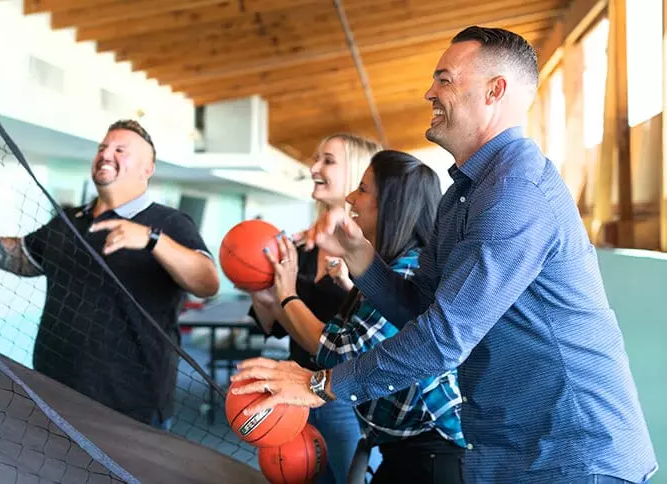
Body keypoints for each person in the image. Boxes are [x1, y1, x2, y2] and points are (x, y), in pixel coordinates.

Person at [230, 26, 658, 483]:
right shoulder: (463, 194)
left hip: (572, 453)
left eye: (445, 79)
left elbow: (443, 337)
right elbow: (422, 306)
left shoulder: (516, 191)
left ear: (495, 91)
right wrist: (362, 259)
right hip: (508, 448)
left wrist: (321, 384)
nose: (428, 92)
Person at [0, 119, 219, 430]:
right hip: (55, 390)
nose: (106, 154)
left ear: (148, 169)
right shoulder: (69, 220)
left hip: (132, 404)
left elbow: (207, 282)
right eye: (103, 148)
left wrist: (151, 239)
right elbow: (26, 258)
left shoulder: (170, 222)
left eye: (121, 150)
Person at [261, 150, 465, 483]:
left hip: (431, 455)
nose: (352, 198)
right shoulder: (389, 268)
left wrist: (286, 294)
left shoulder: (410, 270)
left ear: (392, 205)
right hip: (400, 447)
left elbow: (342, 351)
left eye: (363, 190)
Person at [245, 133, 380, 484]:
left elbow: (372, 330)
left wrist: (349, 286)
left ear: (358, 174)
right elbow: (273, 326)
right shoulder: (297, 247)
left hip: (346, 396)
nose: (314, 167)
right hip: (293, 390)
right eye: (316, 158)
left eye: (328, 161)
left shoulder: (375, 253)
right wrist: (263, 299)